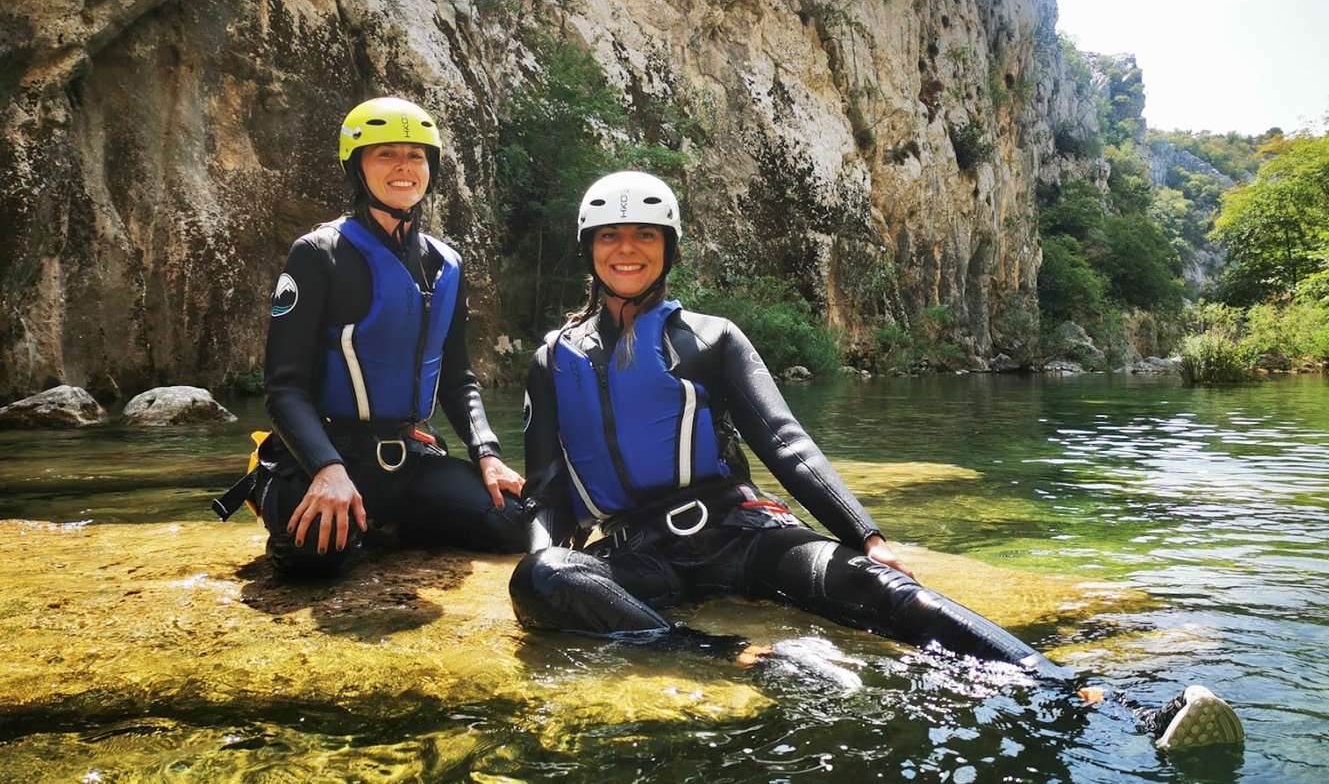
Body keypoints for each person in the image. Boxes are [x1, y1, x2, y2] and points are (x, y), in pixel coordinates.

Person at [509, 170, 1244, 750]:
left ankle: (1095, 699)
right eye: (610, 236)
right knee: (541, 574)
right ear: (589, 247)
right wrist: (549, 575)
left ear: (669, 247)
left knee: (885, 592)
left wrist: (867, 536)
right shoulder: (551, 359)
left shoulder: (711, 338)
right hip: (643, 560)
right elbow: (544, 494)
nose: (626, 249)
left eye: (644, 234)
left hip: (742, 536)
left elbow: (786, 443)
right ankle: (723, 653)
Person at [225, 96, 526, 575]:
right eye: (385, 154)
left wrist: (488, 456)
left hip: (407, 457)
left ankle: (386, 521)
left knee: (515, 524)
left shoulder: (446, 264)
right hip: (329, 453)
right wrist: (326, 468)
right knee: (313, 559)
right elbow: (284, 387)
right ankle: (284, 493)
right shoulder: (318, 253)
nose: (404, 167)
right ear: (357, 168)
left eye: (416, 155)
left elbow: (457, 378)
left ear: (431, 168)